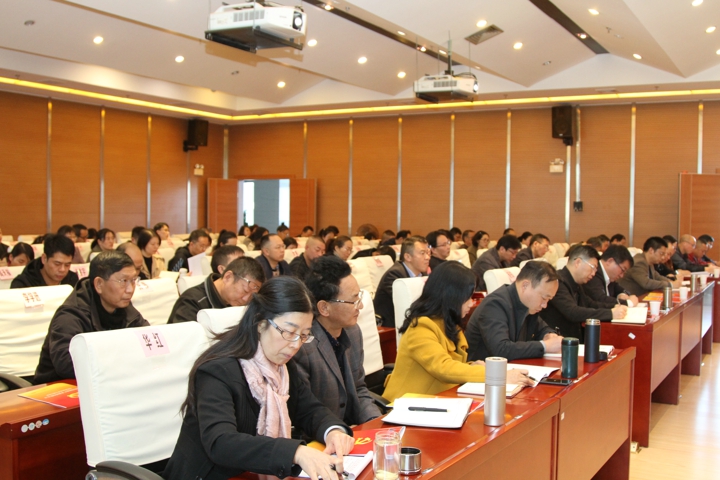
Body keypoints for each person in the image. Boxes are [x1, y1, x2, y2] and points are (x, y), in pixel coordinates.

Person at [163, 276, 354, 480]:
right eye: (289, 332)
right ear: (260, 323)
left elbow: (309, 409)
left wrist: (333, 431)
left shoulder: (282, 365)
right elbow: (221, 442)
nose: (296, 344)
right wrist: (296, 452)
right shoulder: (217, 371)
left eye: (304, 334)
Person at [382, 262, 532, 403]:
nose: (472, 303)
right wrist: (498, 375)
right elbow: (444, 368)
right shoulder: (421, 327)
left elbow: (454, 364)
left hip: (441, 400)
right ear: (451, 297)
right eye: (468, 298)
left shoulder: (449, 323)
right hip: (406, 406)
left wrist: (472, 366)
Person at [33, 251, 149, 384]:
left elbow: (147, 340)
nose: (130, 289)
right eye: (123, 281)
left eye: (133, 280)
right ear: (99, 284)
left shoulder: (123, 305)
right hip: (60, 387)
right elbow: (67, 364)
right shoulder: (70, 315)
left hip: (107, 383)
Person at [290, 256, 381, 426]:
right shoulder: (302, 345)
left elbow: (359, 389)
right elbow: (306, 411)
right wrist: (340, 432)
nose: (360, 306)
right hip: (322, 432)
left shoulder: (353, 332)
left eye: (359, 297)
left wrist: (374, 422)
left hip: (353, 429)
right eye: (353, 301)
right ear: (324, 308)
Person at [466, 261, 563, 361]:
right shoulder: (494, 305)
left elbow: (542, 328)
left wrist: (549, 335)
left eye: (548, 300)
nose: (545, 305)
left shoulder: (528, 304)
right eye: (544, 298)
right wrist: (545, 346)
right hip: (483, 369)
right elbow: (501, 349)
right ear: (525, 286)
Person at [542, 245, 627, 341]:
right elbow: (573, 312)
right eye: (593, 267)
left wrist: (615, 306)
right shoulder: (557, 282)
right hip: (559, 340)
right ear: (578, 262)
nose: (594, 273)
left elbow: (590, 304)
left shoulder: (576, 282)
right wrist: (610, 313)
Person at [168, 257, 265, 323]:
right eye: (245, 291)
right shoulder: (192, 301)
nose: (246, 299)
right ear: (228, 277)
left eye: (252, 295)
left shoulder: (239, 303)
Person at [374, 235, 430, 328]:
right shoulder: (394, 275)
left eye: (428, 253)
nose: (427, 257)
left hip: (412, 321)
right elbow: (408, 303)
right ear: (408, 257)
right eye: (422, 253)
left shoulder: (423, 274)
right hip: (391, 327)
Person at [617, 237, 682, 296]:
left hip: (642, 297)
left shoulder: (648, 262)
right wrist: (670, 284)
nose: (663, 257)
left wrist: (671, 282)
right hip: (631, 298)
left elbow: (657, 277)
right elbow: (646, 283)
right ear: (651, 250)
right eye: (661, 253)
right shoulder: (639, 262)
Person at [11, 234, 79, 288]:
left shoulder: (72, 280)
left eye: (67, 265)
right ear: (44, 259)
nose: (62, 270)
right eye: (57, 264)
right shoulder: (23, 283)